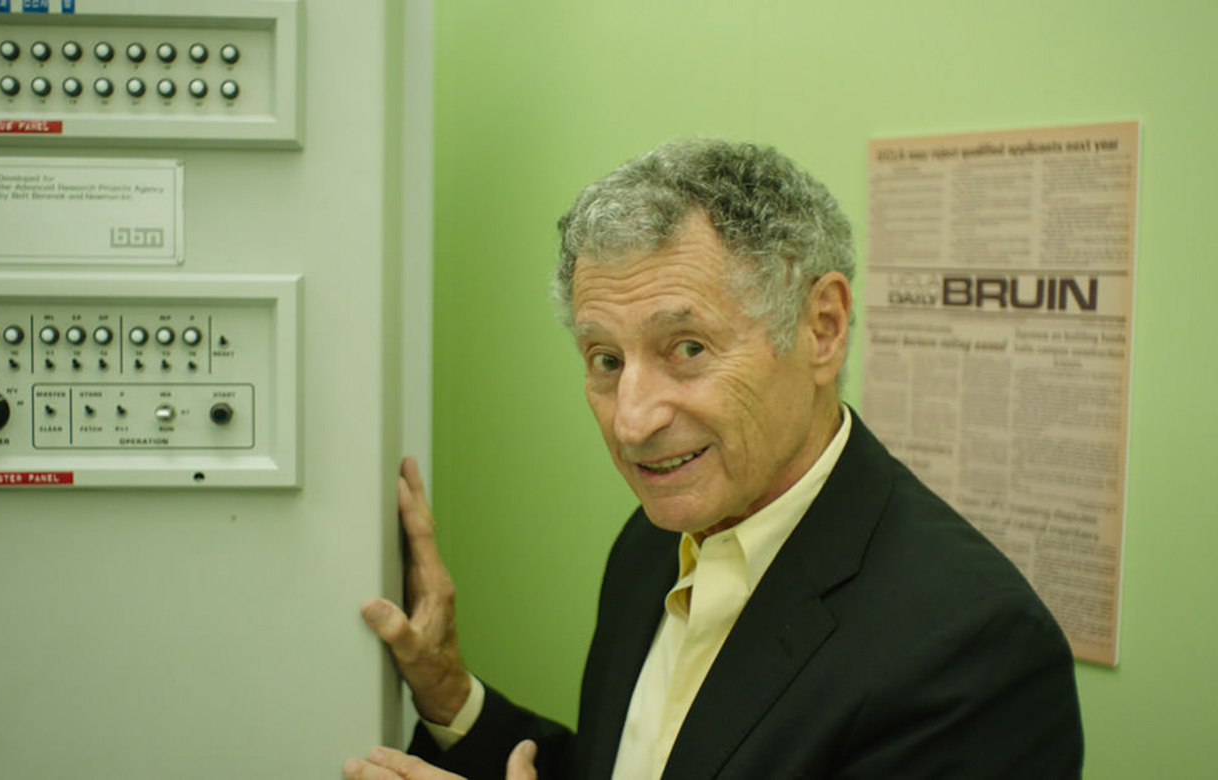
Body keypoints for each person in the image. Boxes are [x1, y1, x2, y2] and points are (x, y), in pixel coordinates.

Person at [344, 140, 1084, 779]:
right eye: (605, 360)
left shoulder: (975, 652)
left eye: (688, 348)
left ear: (822, 328)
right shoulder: (653, 543)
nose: (632, 420)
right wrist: (450, 695)